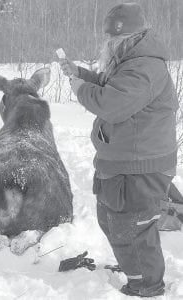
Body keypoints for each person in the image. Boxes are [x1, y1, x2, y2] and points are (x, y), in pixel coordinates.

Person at [59, 3, 179, 298]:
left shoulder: (146, 66)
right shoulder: (134, 62)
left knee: (132, 229)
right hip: (124, 163)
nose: (109, 46)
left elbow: (112, 103)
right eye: (109, 41)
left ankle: (146, 287)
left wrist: (77, 87)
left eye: (114, 41)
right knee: (114, 223)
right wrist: (82, 74)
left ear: (130, 38)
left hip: (139, 167)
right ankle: (137, 272)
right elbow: (112, 85)